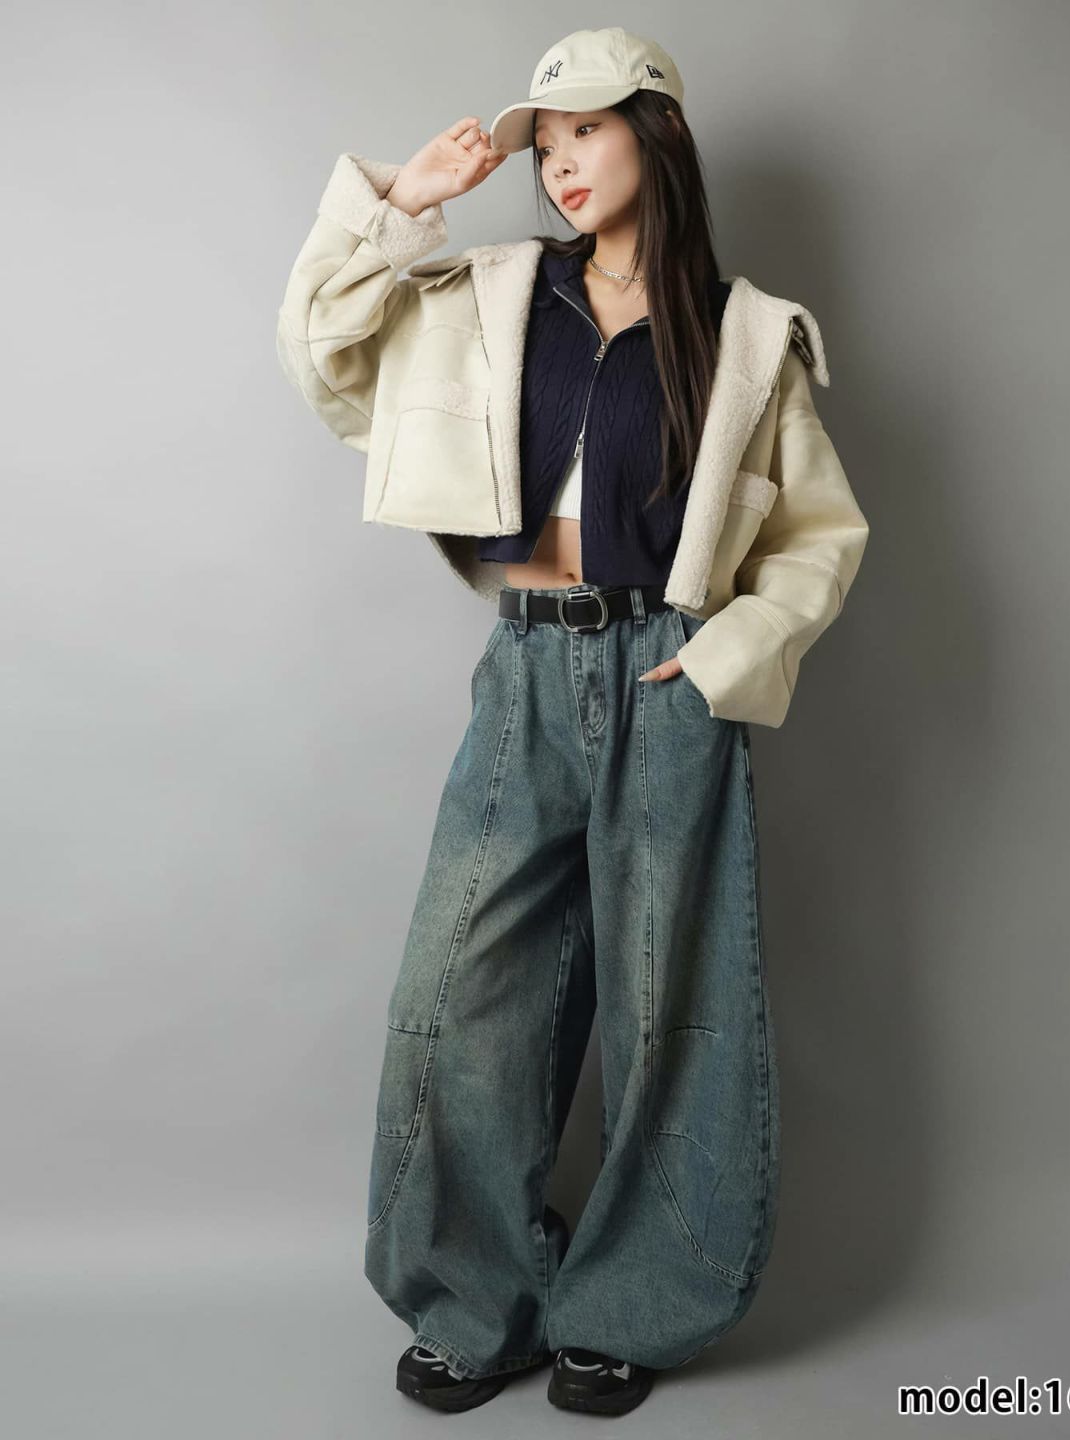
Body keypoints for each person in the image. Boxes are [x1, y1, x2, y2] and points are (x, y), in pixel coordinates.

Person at [276, 25, 869, 1419]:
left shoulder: (744, 334)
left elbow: (818, 536)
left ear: (659, 135)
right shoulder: (491, 294)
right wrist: (402, 201)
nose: (557, 165)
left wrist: (728, 655)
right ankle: (474, 1301)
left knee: (675, 1002)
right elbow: (321, 353)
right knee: (461, 996)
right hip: (527, 670)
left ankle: (631, 1306)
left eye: (585, 133)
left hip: (668, 674)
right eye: (543, 146)